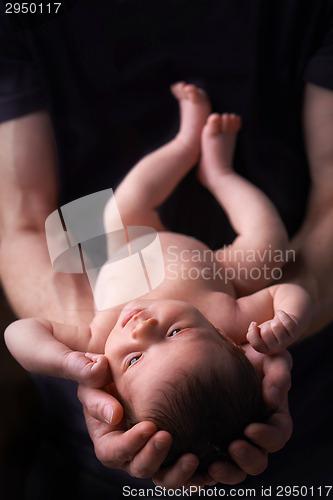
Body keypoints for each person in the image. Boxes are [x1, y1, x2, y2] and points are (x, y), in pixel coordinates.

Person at [1, 0, 332, 496]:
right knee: (270, 245)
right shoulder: (232, 318)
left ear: (113, 388)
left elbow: (20, 333)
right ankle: (218, 172)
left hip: (128, 240)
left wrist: (65, 361)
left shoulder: (96, 346)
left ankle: (182, 141)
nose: (144, 327)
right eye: (176, 332)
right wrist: (289, 321)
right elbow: (289, 294)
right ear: (229, 345)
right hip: (221, 269)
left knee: (114, 213)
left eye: (133, 360)